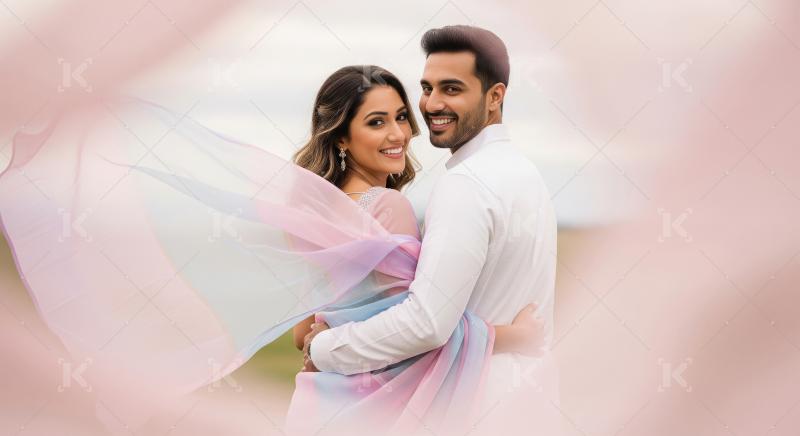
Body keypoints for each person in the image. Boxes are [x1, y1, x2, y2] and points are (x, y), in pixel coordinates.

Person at [302, 25, 558, 424]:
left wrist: (323, 349)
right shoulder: (527, 177)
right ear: (342, 137)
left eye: (452, 89)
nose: (432, 104)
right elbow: (420, 320)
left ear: (495, 97)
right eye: (427, 87)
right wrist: (517, 338)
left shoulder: (465, 184)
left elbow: (424, 323)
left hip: (469, 406)